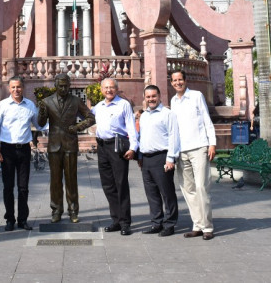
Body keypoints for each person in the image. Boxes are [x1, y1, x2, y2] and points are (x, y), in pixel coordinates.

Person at [37, 73, 95, 223]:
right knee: (55, 181)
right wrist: (42, 112)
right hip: (54, 145)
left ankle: (73, 211)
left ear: (69, 85)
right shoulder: (47, 101)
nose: (63, 88)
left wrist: (77, 127)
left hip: (70, 144)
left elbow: (91, 117)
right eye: (60, 85)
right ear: (55, 85)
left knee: (71, 180)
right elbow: (41, 123)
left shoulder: (76, 101)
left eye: (66, 85)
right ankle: (56, 210)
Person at [170, 70, 216, 241]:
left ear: (185, 80)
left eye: (180, 79)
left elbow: (206, 119)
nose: (178, 83)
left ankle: (207, 227)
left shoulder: (196, 96)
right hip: (182, 151)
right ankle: (197, 225)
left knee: (201, 187)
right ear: (171, 83)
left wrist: (212, 143)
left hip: (199, 147)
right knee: (188, 190)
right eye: (174, 80)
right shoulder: (173, 101)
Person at [0, 76, 39, 232]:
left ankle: (23, 219)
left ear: (23, 87)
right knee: (8, 187)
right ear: (9, 88)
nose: (16, 90)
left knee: (23, 187)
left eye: (18, 87)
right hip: (7, 150)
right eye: (13, 87)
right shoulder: (3, 105)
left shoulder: (30, 105)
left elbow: (39, 124)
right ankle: (10, 219)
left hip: (24, 149)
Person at [92, 77, 138, 236]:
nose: (109, 90)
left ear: (116, 89)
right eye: (105, 88)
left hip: (117, 146)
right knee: (108, 185)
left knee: (121, 184)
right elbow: (86, 117)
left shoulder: (123, 104)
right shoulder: (98, 106)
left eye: (111, 87)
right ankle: (116, 220)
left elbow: (131, 127)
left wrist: (133, 147)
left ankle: (125, 222)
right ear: (101, 90)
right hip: (102, 147)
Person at [138, 85, 180, 237]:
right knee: (152, 193)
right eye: (148, 97)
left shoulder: (167, 114)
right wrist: (140, 156)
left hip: (162, 157)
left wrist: (171, 159)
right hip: (147, 159)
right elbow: (142, 137)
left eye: (154, 96)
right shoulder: (144, 115)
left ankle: (169, 224)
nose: (151, 99)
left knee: (167, 193)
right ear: (145, 98)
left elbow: (174, 136)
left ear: (160, 96)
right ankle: (156, 223)